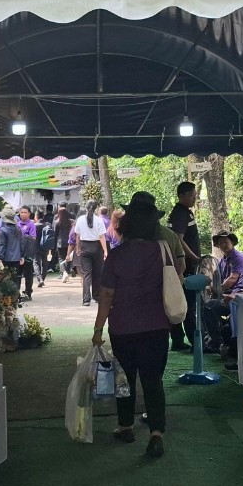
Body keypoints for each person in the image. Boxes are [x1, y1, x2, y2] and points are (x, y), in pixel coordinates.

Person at [92, 192, 180, 459]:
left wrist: (98, 329)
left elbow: (107, 295)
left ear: (126, 224)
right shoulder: (162, 252)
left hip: (123, 327)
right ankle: (156, 434)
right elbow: (175, 279)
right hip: (157, 325)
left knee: (125, 379)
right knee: (153, 380)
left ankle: (126, 426)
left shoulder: (116, 256)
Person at [166, 181, 202, 351]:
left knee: (180, 302)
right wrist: (195, 258)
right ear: (181, 196)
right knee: (188, 305)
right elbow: (179, 239)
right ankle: (195, 343)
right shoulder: (180, 214)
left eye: (195, 195)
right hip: (185, 266)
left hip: (184, 265)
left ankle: (178, 340)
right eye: (191, 195)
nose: (194, 198)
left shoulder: (183, 212)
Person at [75, 203, 109, 307]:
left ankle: (86, 299)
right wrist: (105, 250)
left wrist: (78, 247)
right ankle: (97, 296)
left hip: (84, 247)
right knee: (97, 273)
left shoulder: (80, 219)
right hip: (97, 247)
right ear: (95, 209)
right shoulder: (99, 220)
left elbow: (78, 235)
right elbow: (102, 236)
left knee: (86, 274)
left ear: (86, 207)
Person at [0, 207, 24, 278]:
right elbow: (21, 243)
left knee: (6, 278)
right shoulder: (18, 229)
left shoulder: (3, 230)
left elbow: (2, 244)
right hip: (17, 257)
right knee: (15, 277)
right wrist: (22, 256)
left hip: (6, 258)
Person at [17, 205, 38, 300]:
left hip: (28, 253)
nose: (23, 214)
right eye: (21, 212)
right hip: (18, 253)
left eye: (25, 212)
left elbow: (33, 238)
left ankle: (28, 292)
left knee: (28, 274)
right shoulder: (17, 224)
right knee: (17, 274)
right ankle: (16, 293)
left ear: (29, 214)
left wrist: (24, 237)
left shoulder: (31, 225)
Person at [38, 211, 58, 284]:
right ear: (43, 217)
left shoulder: (34, 225)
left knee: (36, 263)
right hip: (46, 246)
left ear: (36, 217)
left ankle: (40, 278)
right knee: (45, 263)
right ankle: (42, 278)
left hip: (36, 246)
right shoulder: (48, 225)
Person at [54, 204, 73, 273]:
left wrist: (54, 244)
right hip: (69, 242)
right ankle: (69, 270)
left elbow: (55, 233)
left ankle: (64, 272)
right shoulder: (71, 221)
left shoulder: (57, 222)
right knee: (69, 256)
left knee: (61, 258)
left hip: (60, 242)